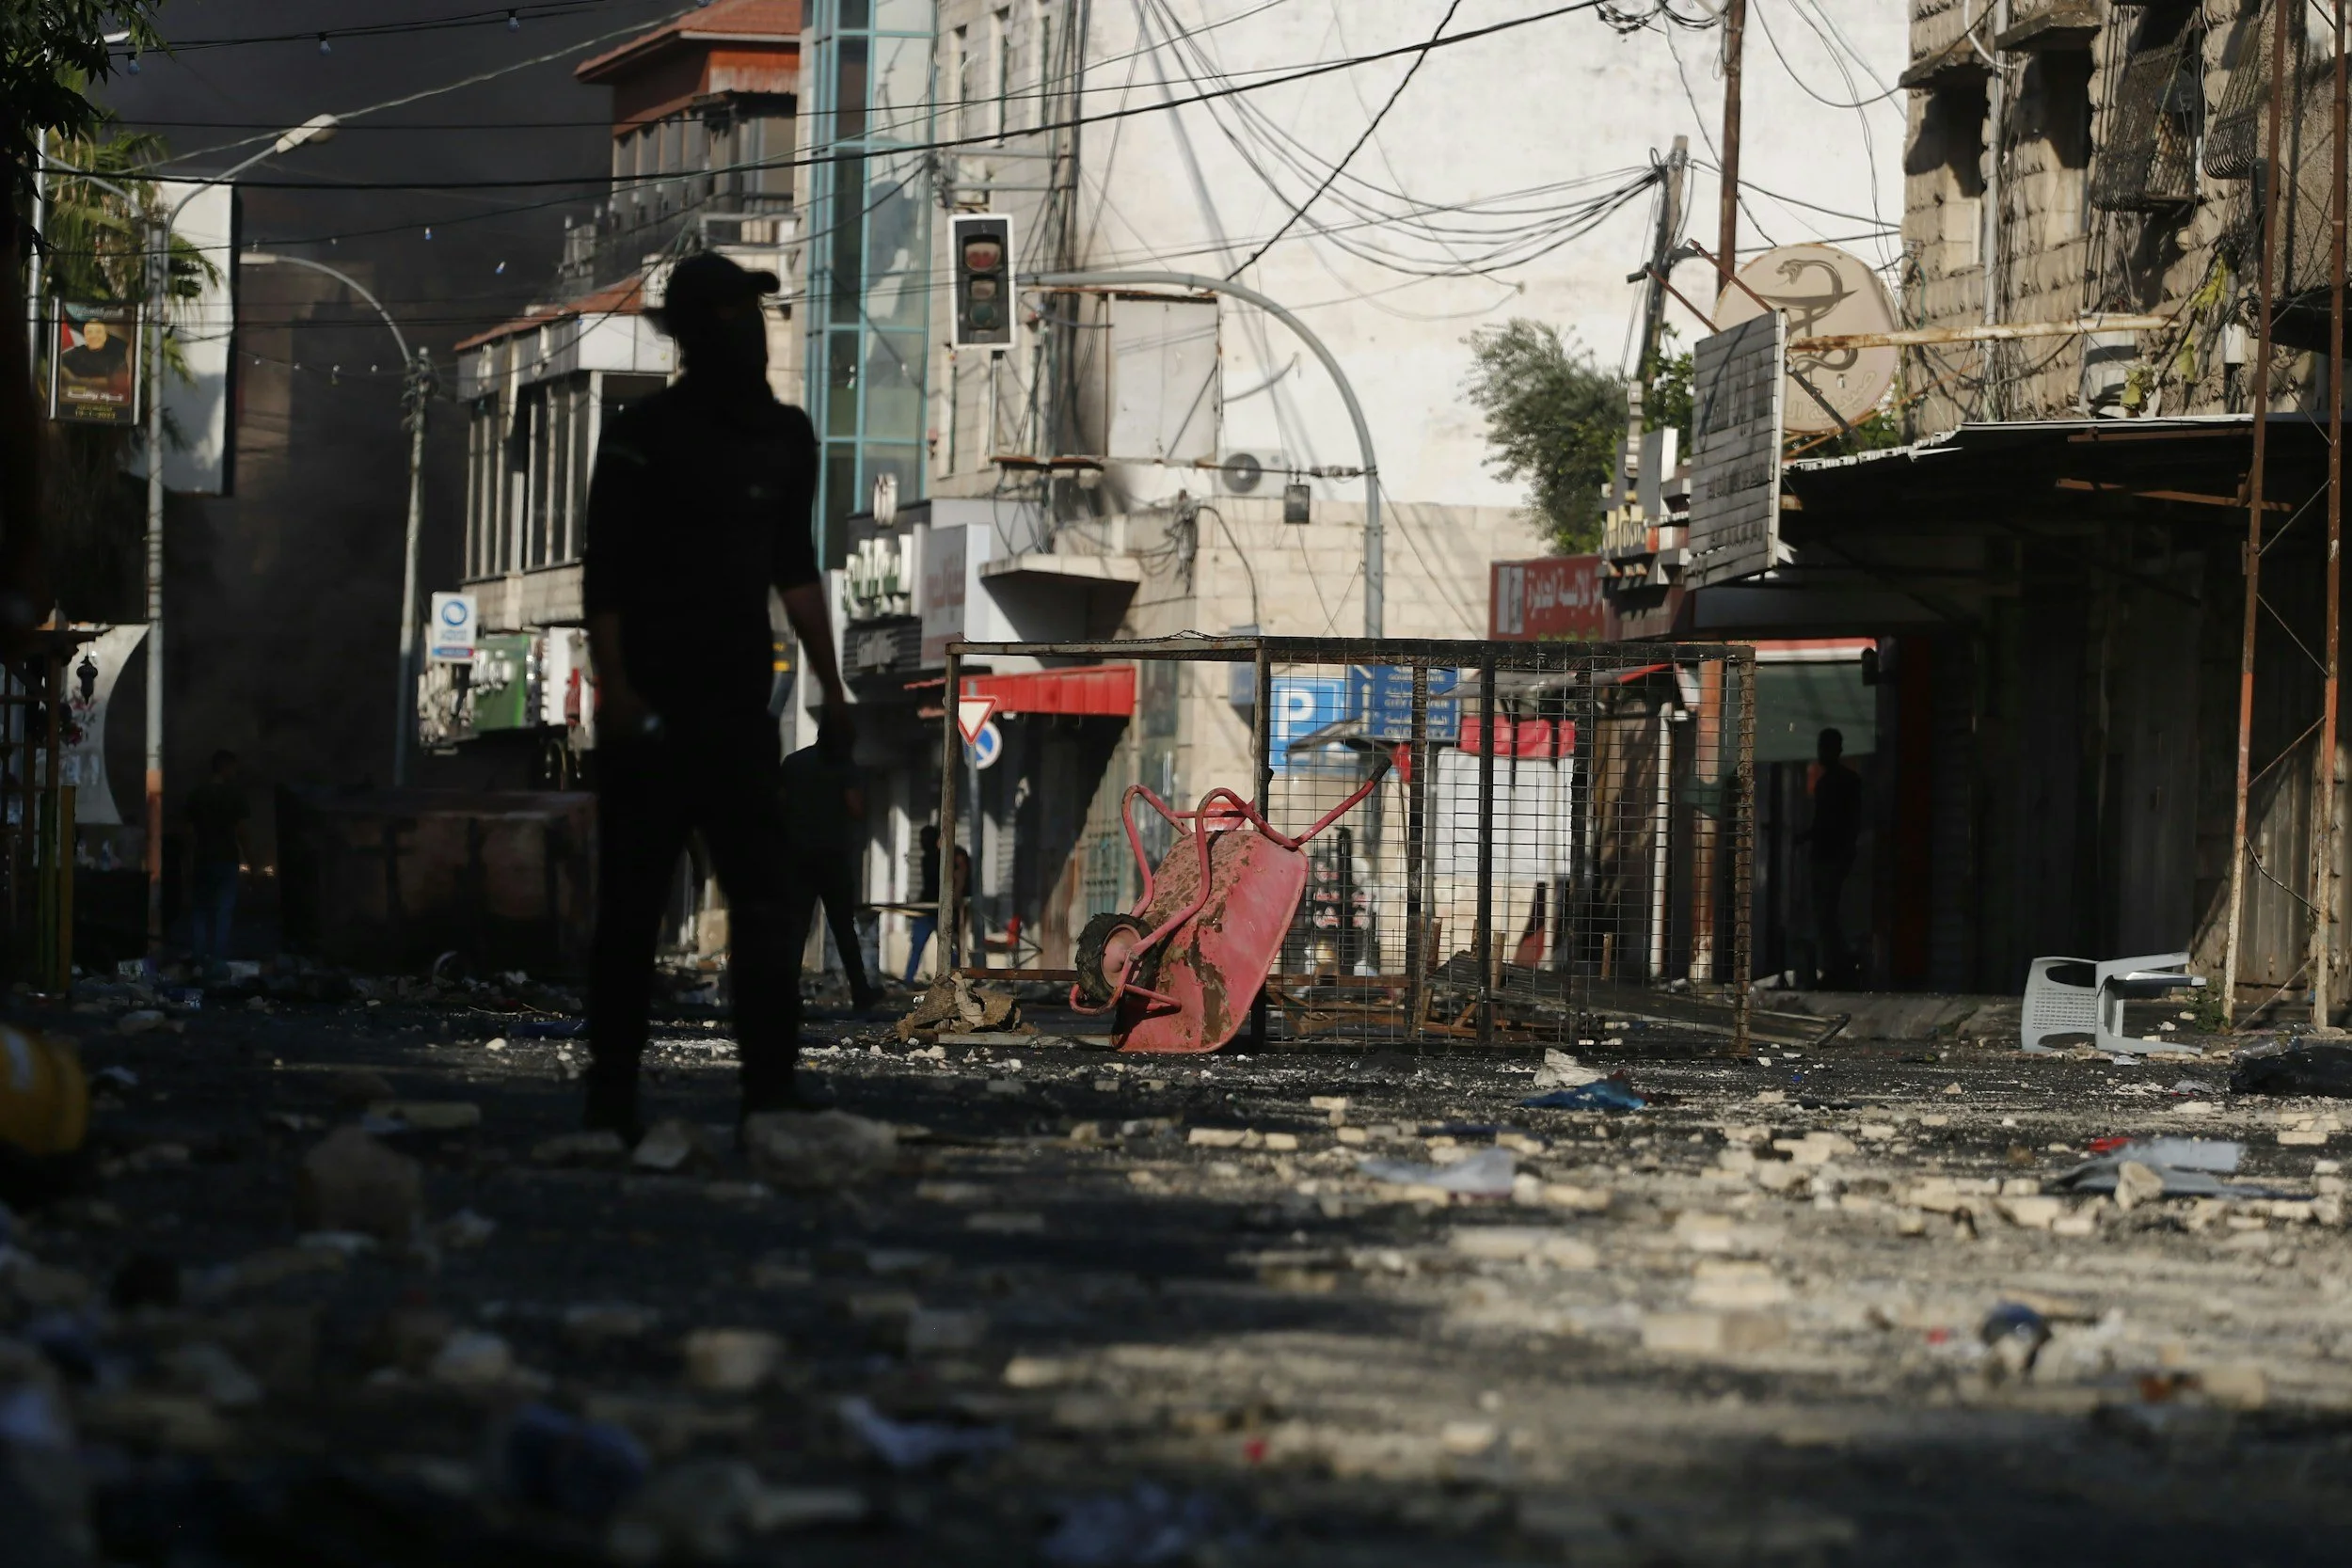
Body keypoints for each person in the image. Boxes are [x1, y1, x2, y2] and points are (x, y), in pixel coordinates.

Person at [580, 251, 851, 1139]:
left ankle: (768, 1089)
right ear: (695, 331)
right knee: (631, 901)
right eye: (734, 315)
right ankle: (612, 1093)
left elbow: (795, 568)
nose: (755, 332)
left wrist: (834, 684)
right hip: (652, 700)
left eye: (757, 315)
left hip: (741, 703)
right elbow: (607, 575)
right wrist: (614, 688)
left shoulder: (786, 438)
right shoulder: (641, 433)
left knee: (764, 899)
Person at [779, 742, 880, 1013]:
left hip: (797, 857)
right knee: (844, 928)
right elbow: (856, 808)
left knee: (797, 928)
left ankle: (787, 995)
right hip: (832, 857)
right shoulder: (843, 765)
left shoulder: (793, 762)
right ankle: (860, 992)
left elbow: (778, 803)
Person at [1803, 726, 1863, 988]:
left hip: (1833, 856)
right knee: (1828, 914)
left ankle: (1839, 967)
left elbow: (1833, 822)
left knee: (1828, 913)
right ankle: (1837, 966)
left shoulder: (1836, 783)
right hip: (1835, 855)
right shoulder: (1838, 781)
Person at [184, 750, 248, 965]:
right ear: (225, 767)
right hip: (226, 859)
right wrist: (250, 859)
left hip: (203, 858)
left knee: (200, 911)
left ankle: (199, 958)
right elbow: (241, 831)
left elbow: (189, 832)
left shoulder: (197, 795)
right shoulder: (235, 796)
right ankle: (217, 962)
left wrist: (188, 860)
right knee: (223, 912)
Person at [902, 825, 941, 985]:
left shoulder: (937, 859)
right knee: (918, 946)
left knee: (948, 948)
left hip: (937, 910)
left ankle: (908, 980)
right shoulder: (929, 859)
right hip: (930, 909)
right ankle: (908, 980)